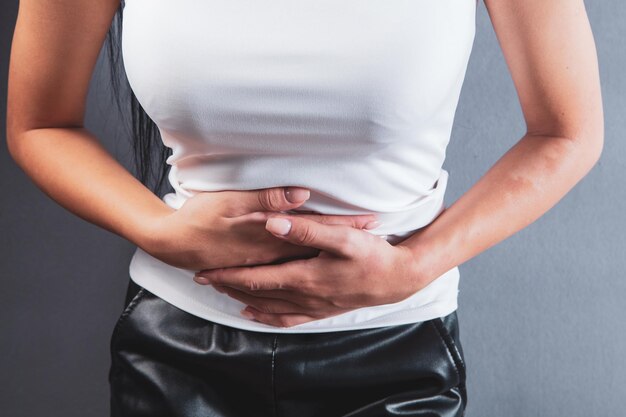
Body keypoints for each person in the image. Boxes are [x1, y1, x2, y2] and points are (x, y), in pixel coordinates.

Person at [6, 0, 603, 416]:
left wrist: (415, 266)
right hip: (176, 349)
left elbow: (566, 132)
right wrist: (160, 232)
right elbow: (40, 123)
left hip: (393, 351)